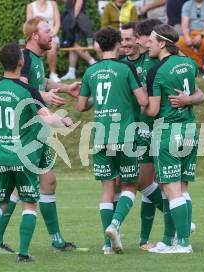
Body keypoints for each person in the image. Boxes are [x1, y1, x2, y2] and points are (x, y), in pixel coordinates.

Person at [0, 43, 73, 262]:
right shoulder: (27, 91)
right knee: (29, 204)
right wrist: (64, 121)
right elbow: (49, 118)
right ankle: (23, 254)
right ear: (21, 62)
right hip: (23, 157)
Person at [0, 16, 81, 254]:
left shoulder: (35, 59)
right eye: (48, 31)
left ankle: (53, 239)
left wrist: (65, 88)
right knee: (25, 188)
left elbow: (37, 82)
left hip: (37, 134)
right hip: (27, 136)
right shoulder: (25, 58)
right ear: (35, 36)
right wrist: (43, 97)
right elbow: (23, 87)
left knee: (45, 183)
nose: (53, 35)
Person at [77, 26, 149, 255]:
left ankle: (107, 246)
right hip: (124, 135)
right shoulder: (126, 68)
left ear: (98, 46)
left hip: (100, 137)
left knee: (107, 188)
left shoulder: (91, 72)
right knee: (130, 184)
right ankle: (114, 225)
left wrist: (99, 103)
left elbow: (81, 106)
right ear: (118, 43)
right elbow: (143, 101)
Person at [145, 24, 202, 254]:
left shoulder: (156, 71)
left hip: (169, 131)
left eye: (150, 40)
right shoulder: (189, 63)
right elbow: (198, 94)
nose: (147, 44)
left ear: (161, 43)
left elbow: (153, 110)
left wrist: (136, 99)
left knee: (170, 189)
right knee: (182, 188)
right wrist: (187, 101)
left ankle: (184, 243)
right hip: (190, 129)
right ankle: (170, 241)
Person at [120, 21, 163, 251]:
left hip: (154, 127)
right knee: (141, 182)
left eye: (129, 39)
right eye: (123, 40)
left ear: (138, 39)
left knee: (149, 183)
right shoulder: (119, 66)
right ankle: (177, 219)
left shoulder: (152, 61)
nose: (126, 43)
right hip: (130, 130)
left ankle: (144, 240)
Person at [60, 0, 97, 81]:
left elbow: (77, 8)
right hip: (73, 18)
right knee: (73, 45)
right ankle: (71, 71)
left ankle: (94, 63)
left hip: (77, 21)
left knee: (74, 44)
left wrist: (72, 21)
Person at [27, 0, 61, 83]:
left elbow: (57, 23)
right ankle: (34, 75)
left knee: (51, 47)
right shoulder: (30, 6)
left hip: (52, 35)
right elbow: (30, 25)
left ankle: (53, 74)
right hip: (37, 37)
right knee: (31, 50)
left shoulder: (53, 4)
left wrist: (52, 34)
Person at [177, 0, 204, 71]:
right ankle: (199, 64)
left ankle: (193, 64)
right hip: (190, 32)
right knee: (179, 42)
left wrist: (201, 36)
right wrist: (186, 37)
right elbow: (184, 24)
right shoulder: (187, 4)